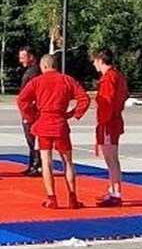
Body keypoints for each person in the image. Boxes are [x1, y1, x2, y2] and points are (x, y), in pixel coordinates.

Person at [16, 53, 91, 209]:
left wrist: (31, 116)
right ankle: (72, 197)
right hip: (60, 124)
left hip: (43, 124)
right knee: (68, 162)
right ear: (55, 65)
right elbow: (84, 98)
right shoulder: (67, 80)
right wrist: (73, 114)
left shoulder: (37, 81)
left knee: (46, 162)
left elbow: (21, 100)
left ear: (43, 66)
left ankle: (52, 198)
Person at [91, 49, 131, 208]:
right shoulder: (117, 76)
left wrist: (103, 122)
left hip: (109, 122)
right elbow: (124, 95)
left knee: (111, 158)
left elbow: (107, 102)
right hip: (114, 121)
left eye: (95, 61)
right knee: (111, 158)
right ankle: (113, 189)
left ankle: (116, 192)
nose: (94, 64)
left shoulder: (108, 79)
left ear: (100, 60)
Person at [17, 46, 42, 176]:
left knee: (33, 139)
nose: (21, 60)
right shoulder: (32, 71)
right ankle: (33, 164)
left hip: (31, 111)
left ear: (31, 57)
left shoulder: (34, 73)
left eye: (23, 57)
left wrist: (28, 110)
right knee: (31, 139)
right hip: (28, 109)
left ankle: (37, 166)